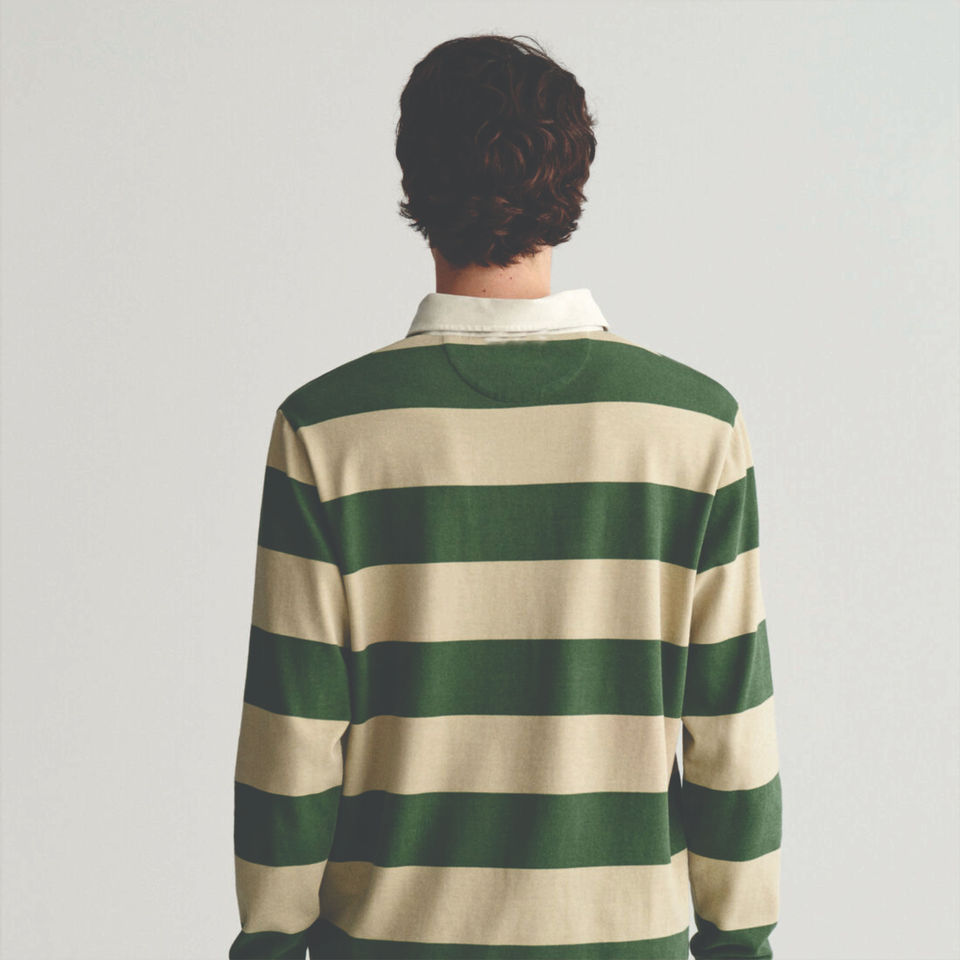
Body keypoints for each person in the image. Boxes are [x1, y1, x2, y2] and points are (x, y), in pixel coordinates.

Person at [228, 33, 782, 960]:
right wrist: (740, 946)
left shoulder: (329, 431)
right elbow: (731, 739)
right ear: (575, 180)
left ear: (413, 181)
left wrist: (273, 947)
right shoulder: (693, 428)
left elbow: (291, 742)